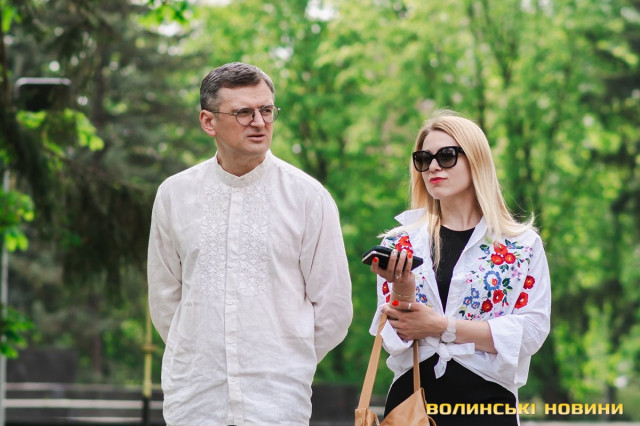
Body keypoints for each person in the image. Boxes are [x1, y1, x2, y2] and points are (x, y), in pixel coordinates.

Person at [147, 62, 353, 425]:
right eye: (244, 112)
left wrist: (285, 359)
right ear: (208, 121)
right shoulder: (174, 195)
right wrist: (198, 355)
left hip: (277, 405)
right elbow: (165, 302)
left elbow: (333, 310)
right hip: (194, 402)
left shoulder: (308, 197)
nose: (259, 122)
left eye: (267, 110)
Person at [368, 109, 551, 425]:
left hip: (488, 404)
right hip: (413, 405)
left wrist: (441, 327)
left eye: (447, 156)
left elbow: (531, 332)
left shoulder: (521, 245)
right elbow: (394, 342)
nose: (433, 167)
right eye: (423, 159)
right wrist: (403, 291)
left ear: (476, 160)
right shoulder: (401, 243)